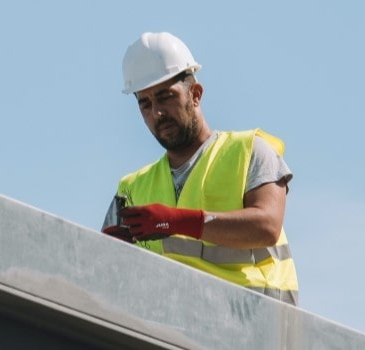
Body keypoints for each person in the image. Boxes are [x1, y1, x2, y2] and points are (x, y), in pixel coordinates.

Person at [101, 32, 299, 306]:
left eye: (165, 96)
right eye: (145, 103)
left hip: (256, 320)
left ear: (195, 94)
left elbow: (267, 226)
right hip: (175, 330)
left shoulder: (250, 151)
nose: (156, 112)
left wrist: (177, 221)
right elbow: (104, 269)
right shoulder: (132, 188)